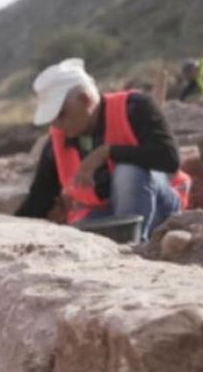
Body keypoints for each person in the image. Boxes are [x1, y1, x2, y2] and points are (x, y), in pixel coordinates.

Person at [16, 58, 191, 242]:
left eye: (61, 115)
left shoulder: (135, 107)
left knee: (128, 172)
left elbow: (169, 159)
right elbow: (40, 198)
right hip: (102, 214)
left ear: (85, 99)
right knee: (76, 238)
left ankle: (133, 245)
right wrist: (8, 228)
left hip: (158, 205)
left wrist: (106, 152)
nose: (57, 125)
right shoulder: (58, 139)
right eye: (52, 119)